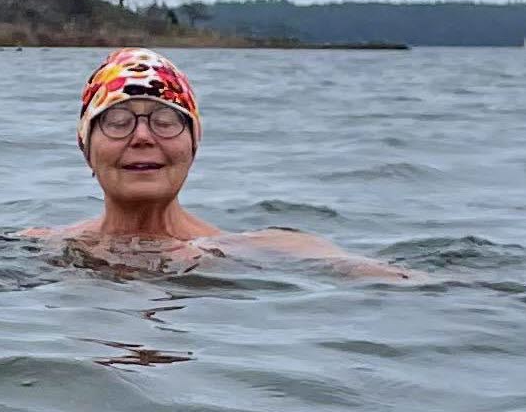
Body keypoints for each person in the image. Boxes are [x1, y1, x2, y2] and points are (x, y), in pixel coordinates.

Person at [28, 47, 408, 278]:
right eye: (117, 122)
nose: (142, 137)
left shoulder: (257, 250)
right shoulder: (39, 247)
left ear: (193, 144)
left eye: (165, 121)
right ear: (85, 148)